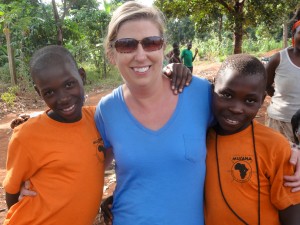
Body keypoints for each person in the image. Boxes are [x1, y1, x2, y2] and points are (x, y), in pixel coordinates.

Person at [95, 2, 213, 225]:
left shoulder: (199, 94)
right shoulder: (107, 110)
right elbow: (87, 167)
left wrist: (293, 153)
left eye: (151, 43)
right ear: (112, 54)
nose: (140, 56)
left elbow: (244, 135)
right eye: (127, 45)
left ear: (163, 48)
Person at [2, 45, 106, 225]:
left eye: (69, 84)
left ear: (82, 76)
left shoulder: (99, 118)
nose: (63, 98)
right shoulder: (27, 136)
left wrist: (169, 71)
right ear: (38, 92)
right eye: (49, 92)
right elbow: (12, 191)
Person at [205, 53, 300, 225]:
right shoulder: (200, 137)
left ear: (262, 100)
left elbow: (291, 211)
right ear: (213, 90)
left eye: (249, 100)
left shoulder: (275, 147)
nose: (236, 108)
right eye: (227, 95)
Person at [265, 20, 300, 143]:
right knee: (277, 159)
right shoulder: (279, 59)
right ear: (293, 35)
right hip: (278, 122)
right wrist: (280, 100)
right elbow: (265, 84)